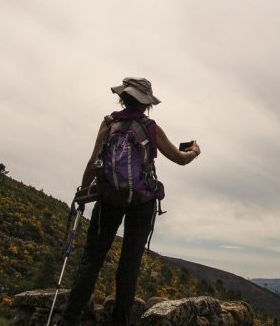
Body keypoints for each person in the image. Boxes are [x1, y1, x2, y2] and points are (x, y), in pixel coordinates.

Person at [59, 77, 201, 326]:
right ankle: (120, 321)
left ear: (123, 97)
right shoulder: (150, 128)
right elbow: (180, 159)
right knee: (129, 264)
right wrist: (195, 150)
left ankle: (69, 319)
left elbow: (94, 162)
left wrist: (83, 193)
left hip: (108, 198)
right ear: (146, 103)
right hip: (141, 202)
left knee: (92, 260)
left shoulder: (109, 123)